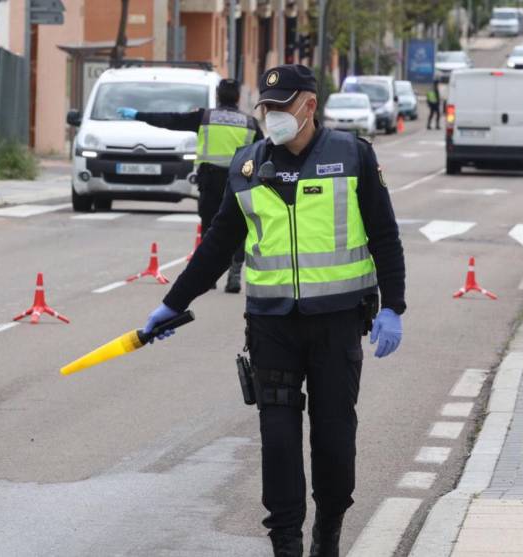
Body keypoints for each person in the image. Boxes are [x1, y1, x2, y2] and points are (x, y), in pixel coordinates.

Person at [142, 64, 406, 556]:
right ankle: (285, 544)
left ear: (309, 105)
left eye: (283, 106)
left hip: (336, 324)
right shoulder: (247, 167)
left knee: (333, 440)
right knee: (279, 442)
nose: (272, 116)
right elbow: (218, 245)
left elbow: (385, 236)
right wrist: (172, 303)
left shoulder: (353, 158)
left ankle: (328, 529)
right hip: (271, 327)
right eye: (267, 107)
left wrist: (394, 306)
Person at [117, 79, 262, 293]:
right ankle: (234, 275)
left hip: (210, 182)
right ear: (238, 98)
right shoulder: (250, 123)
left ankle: (209, 276)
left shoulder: (205, 117)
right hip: (239, 183)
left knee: (210, 230)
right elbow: (263, 152)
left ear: (218, 96)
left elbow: (171, 120)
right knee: (239, 229)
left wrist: (139, 115)